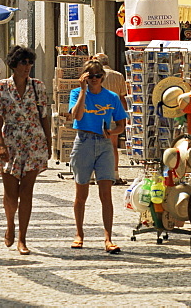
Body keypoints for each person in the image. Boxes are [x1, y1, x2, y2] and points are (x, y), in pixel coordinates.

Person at [0, 45, 52, 255]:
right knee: (11, 194)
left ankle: (22, 238)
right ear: (14, 65)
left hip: (34, 142)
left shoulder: (38, 86)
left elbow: (44, 115)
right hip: (10, 143)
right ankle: (10, 225)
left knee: (27, 192)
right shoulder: (1, 87)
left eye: (29, 62)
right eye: (23, 63)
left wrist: (49, 142)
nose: (27, 66)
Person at [69, 57, 128, 254]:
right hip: (83, 142)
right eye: (90, 76)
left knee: (106, 194)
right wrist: (83, 92)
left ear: (103, 77)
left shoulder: (111, 97)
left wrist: (112, 133)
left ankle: (108, 238)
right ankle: (79, 234)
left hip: (104, 145)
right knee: (81, 194)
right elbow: (76, 116)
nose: (94, 79)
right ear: (84, 77)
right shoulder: (77, 93)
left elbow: (121, 124)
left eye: (98, 76)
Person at [93, 52, 129, 185]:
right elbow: (122, 98)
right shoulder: (118, 76)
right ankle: (114, 174)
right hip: (113, 115)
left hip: (96, 114)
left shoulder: (94, 76)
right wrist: (126, 115)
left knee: (94, 144)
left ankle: (93, 175)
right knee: (113, 145)